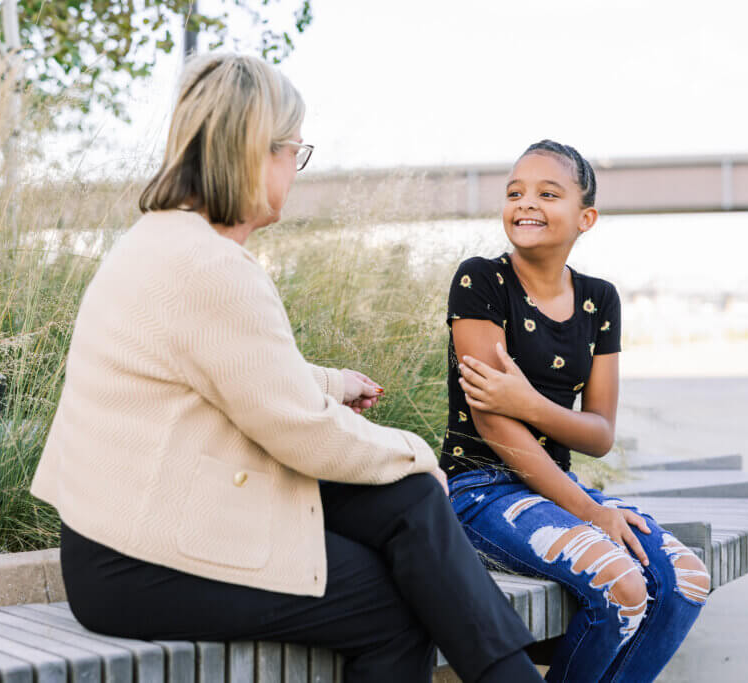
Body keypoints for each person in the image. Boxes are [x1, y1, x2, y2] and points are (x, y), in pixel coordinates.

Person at [30, 53, 543, 683]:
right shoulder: (212, 269)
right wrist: (418, 453)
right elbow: (304, 432)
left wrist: (332, 383)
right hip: (142, 565)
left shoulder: (166, 242)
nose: (295, 171)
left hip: (136, 533)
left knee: (408, 505)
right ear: (255, 153)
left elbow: (237, 372)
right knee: (398, 603)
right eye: (293, 151)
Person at [440, 140, 711, 682]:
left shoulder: (599, 299)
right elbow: (495, 424)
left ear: (585, 217)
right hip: (479, 489)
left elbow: (599, 434)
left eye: (547, 193)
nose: (525, 203)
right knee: (621, 583)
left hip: (551, 487)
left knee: (685, 578)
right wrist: (591, 513)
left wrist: (531, 403)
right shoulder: (481, 281)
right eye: (515, 192)